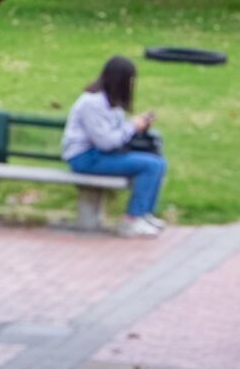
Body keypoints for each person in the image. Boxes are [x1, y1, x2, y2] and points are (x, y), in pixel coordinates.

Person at [62, 56, 171, 236]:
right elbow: (105, 142)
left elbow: (116, 131)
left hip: (101, 155)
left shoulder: (111, 101)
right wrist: (132, 126)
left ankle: (144, 213)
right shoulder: (92, 103)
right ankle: (132, 219)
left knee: (158, 162)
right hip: (85, 157)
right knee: (150, 166)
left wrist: (138, 125)